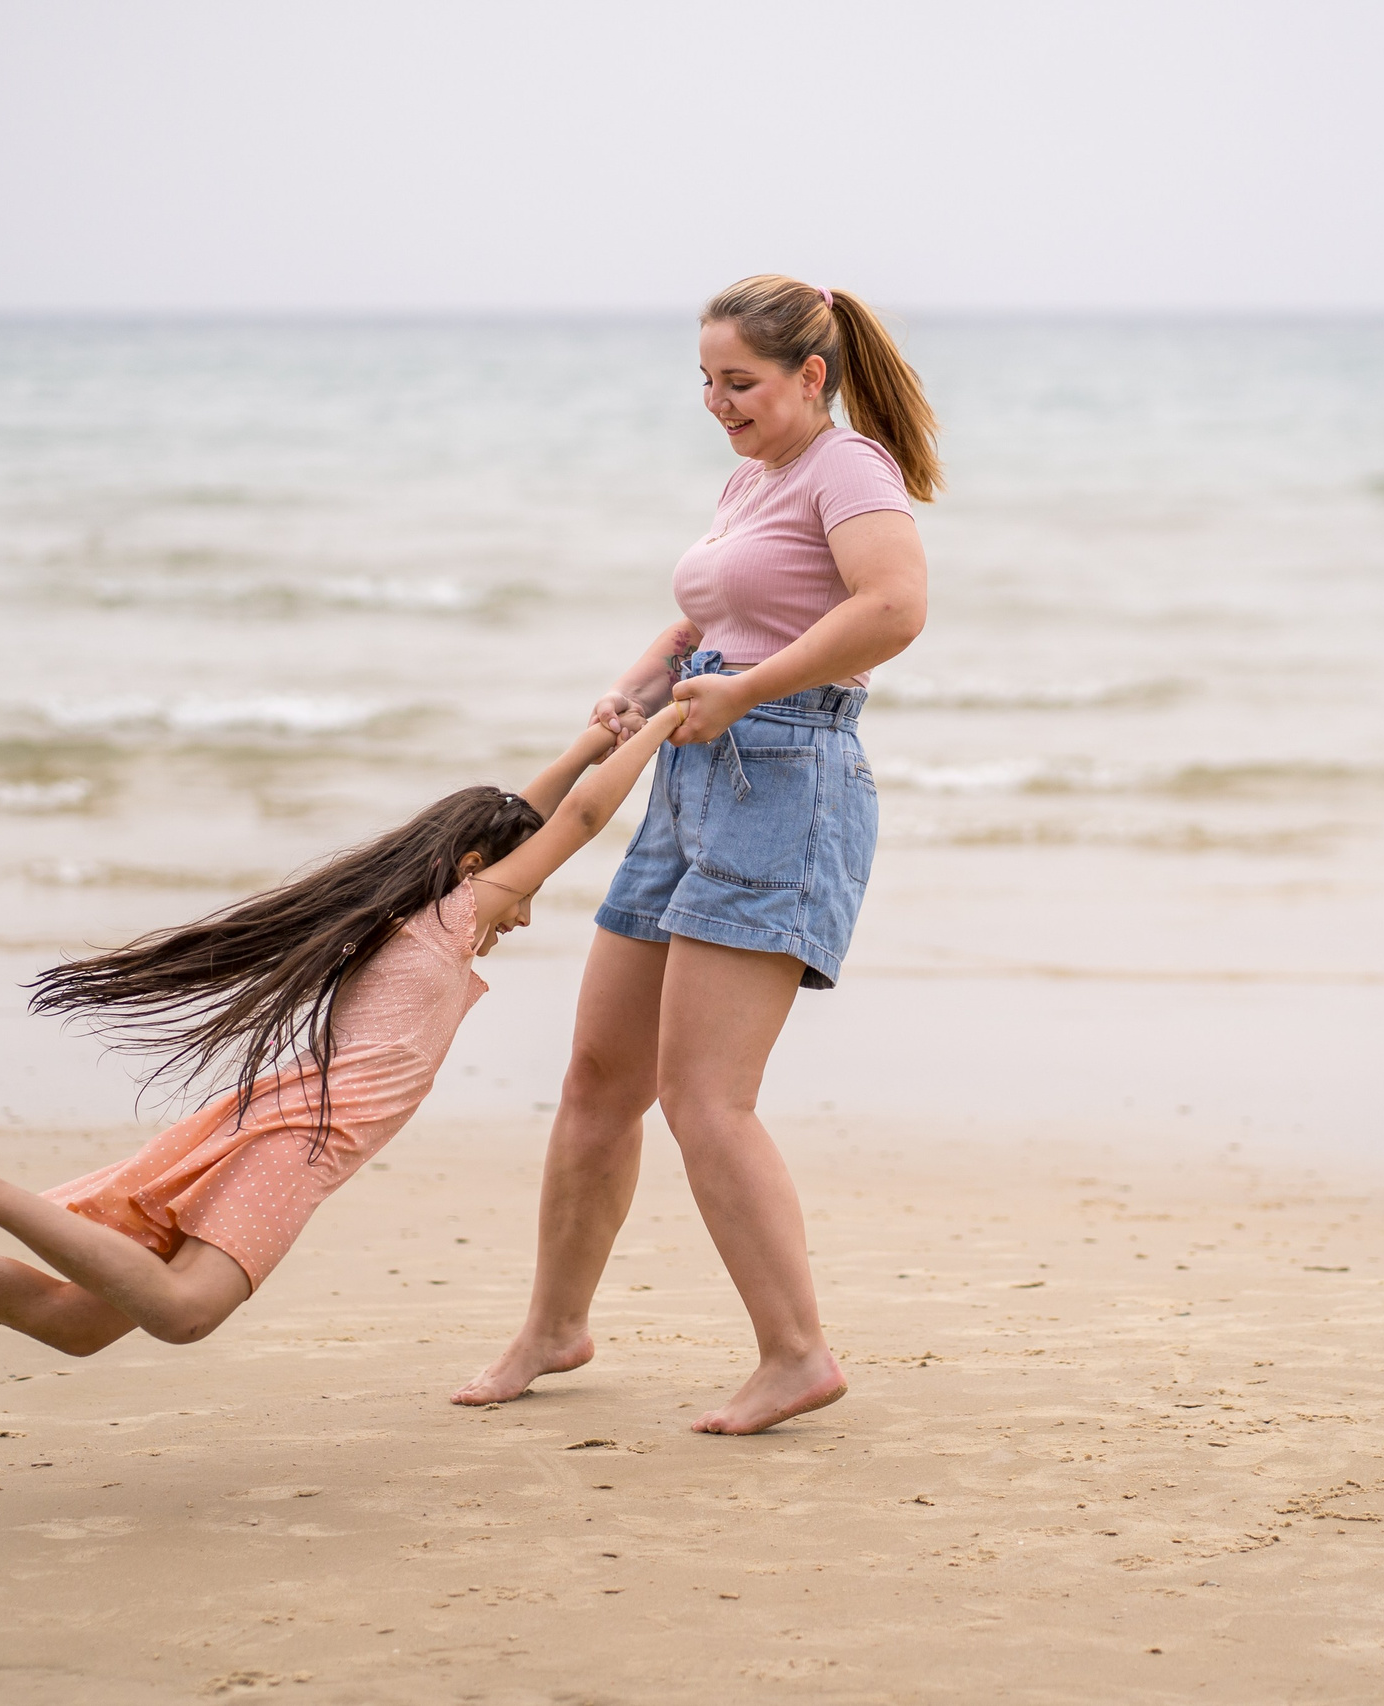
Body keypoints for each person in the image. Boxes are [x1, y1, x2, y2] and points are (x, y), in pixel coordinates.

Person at [0, 706, 690, 1352]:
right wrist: (657, 732)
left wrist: (584, 737)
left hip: (264, 1119)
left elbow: (528, 812)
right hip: (296, 1144)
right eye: (517, 889)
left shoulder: (414, 909)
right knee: (186, 1315)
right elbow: (582, 817)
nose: (524, 915)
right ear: (480, 866)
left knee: (77, 1324)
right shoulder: (458, 912)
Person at [456, 275, 938, 1434]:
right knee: (598, 1079)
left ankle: (796, 1353)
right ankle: (554, 1328)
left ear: (809, 377)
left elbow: (894, 608)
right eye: (707, 383)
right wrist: (633, 691)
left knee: (706, 1099)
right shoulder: (751, 478)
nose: (719, 403)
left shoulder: (849, 468)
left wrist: (747, 690)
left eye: (742, 383)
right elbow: (702, 622)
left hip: (785, 777)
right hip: (688, 768)